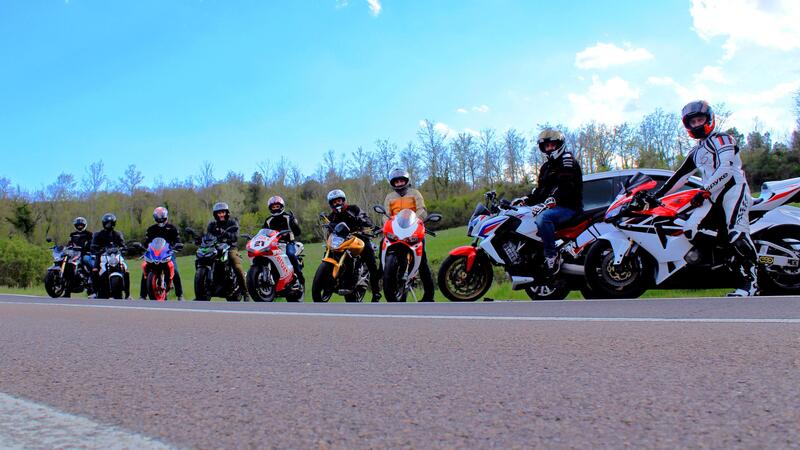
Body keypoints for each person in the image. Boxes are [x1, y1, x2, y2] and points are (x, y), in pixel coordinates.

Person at [651, 100, 757, 297]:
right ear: (687, 125)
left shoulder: (723, 139)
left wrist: (705, 189)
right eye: (693, 122)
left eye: (700, 119)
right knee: (690, 228)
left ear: (709, 119)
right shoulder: (696, 151)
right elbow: (679, 177)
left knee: (736, 233)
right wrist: (655, 196)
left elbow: (726, 168)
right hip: (711, 194)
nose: (697, 124)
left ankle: (751, 282)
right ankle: (721, 264)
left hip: (734, 189)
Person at [523, 129, 583, 275]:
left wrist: (552, 200)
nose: (549, 148)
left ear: (559, 144)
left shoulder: (566, 160)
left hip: (568, 207)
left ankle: (552, 255)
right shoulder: (546, 167)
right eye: (546, 146)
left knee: (544, 218)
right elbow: (540, 191)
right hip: (553, 206)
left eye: (552, 145)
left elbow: (565, 186)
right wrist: (525, 200)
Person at [382, 168, 435, 302]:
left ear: (406, 181)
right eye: (396, 181)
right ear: (392, 183)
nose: (399, 183)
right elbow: (385, 215)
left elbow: (422, 209)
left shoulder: (415, 193)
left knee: (422, 262)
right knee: (381, 248)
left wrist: (416, 221)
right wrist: (386, 225)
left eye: (401, 180)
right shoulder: (389, 197)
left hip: (413, 230)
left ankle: (429, 296)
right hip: (395, 231)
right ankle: (382, 274)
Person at [326, 189, 381, 302]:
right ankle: (331, 282)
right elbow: (329, 230)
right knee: (329, 254)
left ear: (343, 200)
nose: (337, 203)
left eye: (339, 200)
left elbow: (367, 220)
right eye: (334, 202)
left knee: (371, 263)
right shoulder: (332, 216)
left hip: (359, 237)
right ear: (331, 204)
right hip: (342, 242)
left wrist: (362, 220)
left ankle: (376, 292)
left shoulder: (353, 209)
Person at [139, 206, 184, 300]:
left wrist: (177, 245)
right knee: (145, 270)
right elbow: (146, 242)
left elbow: (177, 240)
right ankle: (142, 295)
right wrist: (142, 247)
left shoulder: (172, 228)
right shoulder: (151, 229)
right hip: (154, 254)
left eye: (161, 214)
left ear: (166, 215)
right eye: (158, 215)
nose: (160, 217)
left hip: (168, 253)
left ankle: (180, 295)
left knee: (175, 271)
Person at [206, 202, 248, 300]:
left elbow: (235, 236)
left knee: (235, 263)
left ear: (227, 213)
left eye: (223, 212)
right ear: (215, 214)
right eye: (219, 213)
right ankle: (204, 292)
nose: (221, 215)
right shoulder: (212, 225)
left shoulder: (233, 222)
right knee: (205, 260)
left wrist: (225, 233)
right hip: (215, 248)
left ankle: (245, 292)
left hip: (230, 247)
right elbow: (207, 236)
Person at [262, 196, 304, 285]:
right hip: (273, 245)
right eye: (273, 207)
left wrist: (295, 223)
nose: (275, 209)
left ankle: (299, 275)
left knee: (290, 254)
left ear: (281, 206)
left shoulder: (288, 217)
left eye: (277, 206)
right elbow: (263, 233)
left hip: (288, 243)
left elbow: (298, 232)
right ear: (270, 208)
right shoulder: (268, 220)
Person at [90, 213, 130, 298]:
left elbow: (123, 244)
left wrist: (124, 248)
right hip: (102, 255)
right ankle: (94, 291)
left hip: (115, 256)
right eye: (107, 223)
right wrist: (96, 249)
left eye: (111, 223)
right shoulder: (98, 234)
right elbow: (93, 245)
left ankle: (127, 294)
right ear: (104, 223)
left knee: (126, 270)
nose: (109, 225)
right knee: (95, 269)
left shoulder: (118, 234)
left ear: (114, 224)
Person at [66, 216, 95, 297]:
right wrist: (66, 247)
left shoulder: (89, 234)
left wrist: (87, 248)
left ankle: (91, 282)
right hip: (74, 254)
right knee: (67, 265)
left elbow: (91, 244)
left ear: (84, 225)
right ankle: (66, 290)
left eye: (81, 225)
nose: (79, 226)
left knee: (90, 263)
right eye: (78, 225)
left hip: (85, 253)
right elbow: (69, 243)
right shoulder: (72, 234)